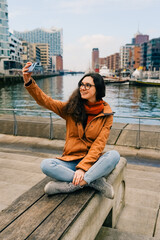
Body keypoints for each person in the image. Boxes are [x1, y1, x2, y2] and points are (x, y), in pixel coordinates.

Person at [22, 62, 120, 199]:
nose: (82, 88)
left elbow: (99, 144)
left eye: (87, 85)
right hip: (71, 161)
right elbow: (46, 101)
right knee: (46, 165)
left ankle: (72, 185)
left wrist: (83, 168)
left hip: (92, 162)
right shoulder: (71, 109)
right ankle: (93, 182)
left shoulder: (106, 115)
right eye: (81, 84)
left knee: (114, 156)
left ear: (98, 89)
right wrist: (28, 81)